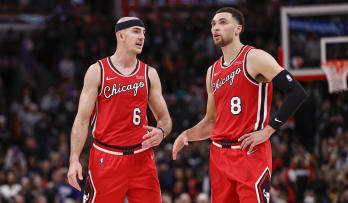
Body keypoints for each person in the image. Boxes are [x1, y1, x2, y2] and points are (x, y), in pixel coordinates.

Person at [172, 7, 307, 203]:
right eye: (213, 24)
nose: (216, 28)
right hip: (219, 156)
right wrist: (186, 135)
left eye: (223, 22)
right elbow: (211, 123)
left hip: (250, 153)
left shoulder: (255, 58)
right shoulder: (212, 71)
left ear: (238, 29)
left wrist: (269, 130)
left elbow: (297, 92)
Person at [67, 17, 172, 202]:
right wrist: (74, 158)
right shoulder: (97, 71)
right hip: (107, 159)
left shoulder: (149, 74)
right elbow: (82, 120)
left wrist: (161, 132)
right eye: (136, 31)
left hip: (142, 160)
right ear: (121, 35)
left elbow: (165, 118)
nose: (142, 37)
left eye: (144, 33)